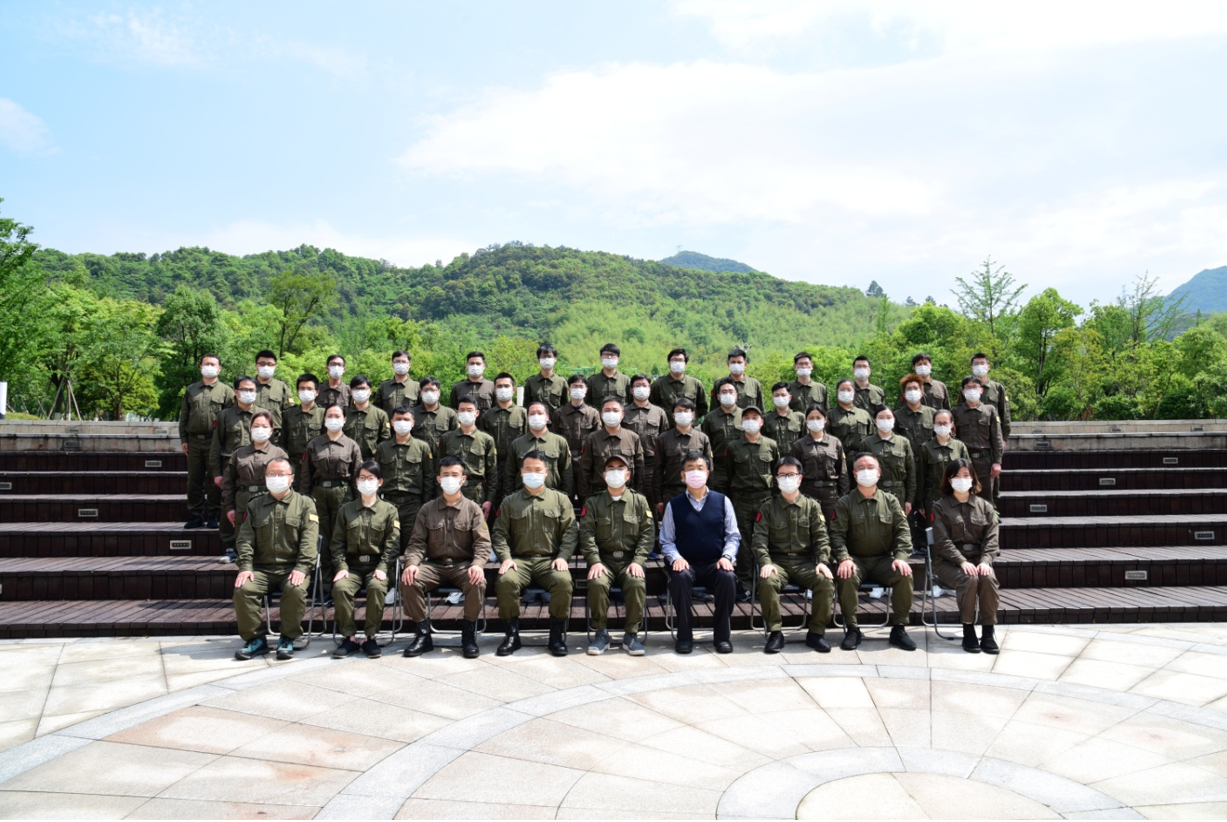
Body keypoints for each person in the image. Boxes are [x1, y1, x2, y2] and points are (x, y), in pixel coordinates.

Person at [401, 456, 490, 659]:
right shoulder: (427, 510)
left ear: (463, 479)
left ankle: (468, 634)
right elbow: (417, 543)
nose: (450, 478)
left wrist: (478, 564)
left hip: (463, 566)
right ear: (438, 479)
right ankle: (423, 633)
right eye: (445, 475)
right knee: (409, 580)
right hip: (434, 566)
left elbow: (482, 543)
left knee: (477, 581)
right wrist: (412, 563)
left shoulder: (473, 509)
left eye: (454, 475)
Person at [492, 451, 578, 657]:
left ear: (546, 472)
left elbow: (570, 532)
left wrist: (563, 557)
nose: (533, 474)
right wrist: (506, 558)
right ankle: (512, 635)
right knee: (505, 581)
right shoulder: (509, 502)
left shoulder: (560, 500)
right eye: (528, 469)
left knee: (563, 582)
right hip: (519, 561)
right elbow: (499, 534)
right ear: (521, 472)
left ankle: (556, 635)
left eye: (538, 470)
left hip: (550, 561)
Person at [232, 458, 318, 661]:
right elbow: (245, 539)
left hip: (292, 568)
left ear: (292, 478)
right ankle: (255, 640)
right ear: (265, 477)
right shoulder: (254, 505)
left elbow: (309, 540)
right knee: (243, 589)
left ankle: (287, 638)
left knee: (295, 590)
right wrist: (245, 566)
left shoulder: (305, 504)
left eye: (281, 474)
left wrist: (302, 567)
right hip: (261, 569)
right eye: (271, 474)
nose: (276, 478)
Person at [830, 453, 916, 652]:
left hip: (883, 560)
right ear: (854, 474)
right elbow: (836, 535)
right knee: (846, 574)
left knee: (904, 573)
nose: (866, 471)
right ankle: (852, 629)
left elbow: (903, 532)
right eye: (861, 468)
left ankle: (899, 628)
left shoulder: (891, 501)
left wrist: (901, 557)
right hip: (856, 560)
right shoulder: (844, 502)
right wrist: (844, 558)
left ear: (878, 472)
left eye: (870, 467)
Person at [753, 457, 835, 654]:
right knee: (767, 581)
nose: (787, 479)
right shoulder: (768, 507)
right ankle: (775, 632)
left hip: (804, 562)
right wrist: (765, 562)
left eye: (791, 474)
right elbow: (759, 539)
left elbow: (822, 538)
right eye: (782, 475)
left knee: (825, 581)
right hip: (777, 563)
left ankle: (816, 633)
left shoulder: (812, 506)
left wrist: (823, 561)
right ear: (776, 479)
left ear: (800, 478)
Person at [661, 452, 740, 654]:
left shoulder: (723, 501)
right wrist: (676, 558)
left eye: (700, 468)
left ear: (708, 473)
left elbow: (733, 536)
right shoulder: (674, 505)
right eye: (690, 469)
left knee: (728, 577)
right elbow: (666, 540)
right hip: (686, 563)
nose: (695, 472)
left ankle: (722, 636)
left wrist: (727, 557)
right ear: (682, 475)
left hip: (715, 563)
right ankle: (684, 636)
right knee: (679, 577)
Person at [579, 454, 654, 655]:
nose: (615, 472)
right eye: (610, 468)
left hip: (630, 560)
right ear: (604, 475)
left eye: (620, 468)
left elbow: (647, 534)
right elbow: (586, 535)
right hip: (603, 560)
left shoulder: (639, 501)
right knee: (597, 583)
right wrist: (594, 561)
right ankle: (601, 633)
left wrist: (638, 561)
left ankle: (631, 635)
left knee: (636, 582)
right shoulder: (593, 502)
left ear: (628, 475)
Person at [330, 461, 401, 659]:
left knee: (376, 587)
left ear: (380, 482)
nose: (366, 482)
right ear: (356, 482)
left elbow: (393, 544)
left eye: (371, 478)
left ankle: (371, 636)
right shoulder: (346, 510)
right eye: (362, 478)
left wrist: (383, 567)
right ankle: (349, 638)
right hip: (351, 567)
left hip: (376, 566)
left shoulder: (389, 511)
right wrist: (341, 566)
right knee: (340, 588)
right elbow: (337, 543)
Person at [930, 459, 1001, 654]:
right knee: (969, 579)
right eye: (956, 476)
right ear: (949, 480)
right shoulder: (940, 507)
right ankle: (968, 629)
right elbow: (942, 542)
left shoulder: (985, 507)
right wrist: (961, 561)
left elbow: (992, 540)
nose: (962, 480)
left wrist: (986, 561)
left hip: (978, 560)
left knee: (988, 578)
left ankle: (988, 631)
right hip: (949, 563)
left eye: (966, 475)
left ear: (973, 478)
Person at [302, 404, 363, 598]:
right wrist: (304, 501)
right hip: (319, 495)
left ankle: (342, 582)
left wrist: (359, 502)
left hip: (343, 494)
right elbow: (306, 476)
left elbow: (357, 476)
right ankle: (326, 586)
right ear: (324, 419)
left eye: (337, 416)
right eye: (330, 415)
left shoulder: (352, 445)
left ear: (344, 419)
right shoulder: (314, 444)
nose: (333, 419)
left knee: (341, 538)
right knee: (322, 539)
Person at [723, 405, 780, 602]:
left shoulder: (771, 445)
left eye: (755, 417)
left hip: (766, 499)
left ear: (761, 422)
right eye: (746, 418)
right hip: (742, 499)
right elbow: (729, 473)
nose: (750, 421)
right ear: (741, 422)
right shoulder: (733, 447)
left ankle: (767, 579)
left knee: (766, 539)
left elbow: (776, 471)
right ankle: (746, 583)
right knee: (744, 542)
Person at [211, 376, 269, 563]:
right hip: (231, 467)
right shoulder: (225, 415)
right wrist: (217, 473)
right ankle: (231, 547)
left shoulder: (263, 414)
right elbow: (217, 445)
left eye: (252, 390)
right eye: (244, 390)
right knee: (229, 507)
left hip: (258, 467)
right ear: (236, 392)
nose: (248, 393)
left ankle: (258, 548)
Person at [221, 411, 288, 562]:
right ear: (250, 429)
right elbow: (228, 483)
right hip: (243, 500)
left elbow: (287, 482)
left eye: (264, 426)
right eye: (256, 426)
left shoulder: (279, 453)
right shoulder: (239, 453)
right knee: (243, 537)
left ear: (271, 430)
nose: (260, 429)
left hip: (269, 499)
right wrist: (229, 507)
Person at [179, 353, 234, 529]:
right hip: (194, 442)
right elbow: (184, 416)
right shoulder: (191, 390)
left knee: (215, 480)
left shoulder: (226, 391)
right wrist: (183, 439)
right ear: (200, 367)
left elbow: (230, 420)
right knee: (194, 480)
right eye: (206, 363)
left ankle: (213, 515)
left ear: (219, 369)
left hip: (215, 442)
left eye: (213, 364)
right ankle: (196, 515)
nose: (209, 366)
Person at [375, 405, 436, 550]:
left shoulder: (422, 447)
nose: (402, 422)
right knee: (388, 544)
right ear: (392, 422)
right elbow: (376, 476)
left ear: (413, 423)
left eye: (406, 419)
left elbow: (429, 477)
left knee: (412, 544)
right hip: (388, 503)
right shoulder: (382, 447)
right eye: (398, 419)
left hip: (413, 504)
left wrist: (425, 504)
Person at [437, 398, 498, 518]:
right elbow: (438, 469)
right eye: (462, 410)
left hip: (476, 493)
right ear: (457, 412)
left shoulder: (486, 439)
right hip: (451, 491)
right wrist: (439, 495)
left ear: (477, 413)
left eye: (469, 410)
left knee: (475, 526)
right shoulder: (447, 438)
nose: (466, 413)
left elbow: (492, 472)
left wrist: (489, 499)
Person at [577, 396, 645, 501]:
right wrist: (585, 499)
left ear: (622, 415)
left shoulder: (633, 438)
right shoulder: (592, 438)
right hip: (599, 496)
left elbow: (640, 470)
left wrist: (637, 497)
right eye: (607, 410)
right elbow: (584, 471)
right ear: (601, 415)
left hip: (627, 495)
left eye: (615, 410)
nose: (611, 413)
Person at [653, 398, 713, 514]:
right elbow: (658, 470)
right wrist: (658, 498)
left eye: (686, 411)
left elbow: (709, 468)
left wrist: (709, 494)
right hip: (672, 492)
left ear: (693, 414)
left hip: (698, 492)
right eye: (679, 411)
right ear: (673, 415)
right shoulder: (663, 438)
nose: (682, 414)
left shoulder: (702, 438)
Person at [950, 376, 1004, 503]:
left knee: (986, 499)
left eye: (975, 387)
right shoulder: (956, 411)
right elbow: (952, 438)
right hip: (964, 460)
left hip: (985, 461)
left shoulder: (989, 410)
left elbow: (997, 438)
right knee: (963, 496)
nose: (971, 390)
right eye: (968, 387)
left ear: (981, 390)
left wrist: (997, 462)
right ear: (963, 391)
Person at [855, 406, 916, 516]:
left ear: (894, 419)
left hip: (899, 494)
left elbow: (911, 472)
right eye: (881, 418)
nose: (885, 420)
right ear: (875, 420)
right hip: (874, 492)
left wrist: (909, 500)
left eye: (888, 417)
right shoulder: (866, 443)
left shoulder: (903, 442)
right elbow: (860, 471)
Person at [505, 402, 574, 499]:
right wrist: (510, 498)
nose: (536, 416)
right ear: (528, 418)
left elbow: (566, 473)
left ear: (547, 417)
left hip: (552, 498)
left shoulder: (559, 442)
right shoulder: (517, 443)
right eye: (532, 414)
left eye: (540, 413)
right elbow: (509, 474)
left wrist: (565, 498)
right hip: (522, 499)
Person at [791, 405, 848, 521]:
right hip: (807, 493)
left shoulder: (835, 442)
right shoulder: (798, 445)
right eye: (811, 418)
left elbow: (842, 472)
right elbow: (793, 473)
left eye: (818, 417)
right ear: (806, 421)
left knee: (832, 526)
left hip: (830, 494)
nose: (815, 421)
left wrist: (844, 496)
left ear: (825, 419)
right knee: (808, 526)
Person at [480, 372, 528, 510]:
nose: (503, 389)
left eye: (506, 386)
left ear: (513, 389)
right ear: (494, 390)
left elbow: (528, 440)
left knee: (516, 504)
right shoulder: (487, 415)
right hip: (493, 467)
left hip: (516, 467)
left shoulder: (523, 414)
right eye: (499, 386)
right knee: (492, 505)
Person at [623, 373, 669, 500]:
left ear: (650, 389)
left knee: (652, 500)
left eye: (644, 385)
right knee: (629, 499)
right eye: (637, 385)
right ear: (631, 390)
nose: (641, 388)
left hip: (651, 464)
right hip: (628, 462)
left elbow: (664, 439)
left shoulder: (659, 412)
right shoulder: (623, 412)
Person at [917, 410, 970, 517]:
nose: (942, 426)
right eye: (938, 423)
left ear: (952, 424)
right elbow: (921, 476)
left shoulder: (959, 446)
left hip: (956, 494)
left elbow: (969, 474)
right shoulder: (926, 448)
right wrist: (920, 502)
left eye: (945, 423)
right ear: (933, 424)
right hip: (933, 497)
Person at [702, 377, 742, 491]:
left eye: (731, 391)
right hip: (719, 468)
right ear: (718, 396)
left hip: (741, 467)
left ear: (736, 395)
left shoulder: (745, 415)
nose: (727, 394)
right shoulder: (710, 418)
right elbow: (705, 445)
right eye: (724, 392)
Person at [650, 347, 708, 424]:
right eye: (674, 360)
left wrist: (690, 418)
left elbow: (703, 407)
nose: (677, 363)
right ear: (669, 363)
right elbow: (652, 407)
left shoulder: (695, 383)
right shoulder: (658, 384)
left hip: (691, 427)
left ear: (685, 364)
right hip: (667, 428)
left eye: (680, 360)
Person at [282, 374, 325, 478]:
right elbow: (283, 442)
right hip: (294, 466)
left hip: (315, 466)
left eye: (309, 389)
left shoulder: (323, 413)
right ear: (297, 391)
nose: (305, 391)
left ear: (317, 392)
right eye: (302, 388)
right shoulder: (288, 414)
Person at [343, 375, 391, 460]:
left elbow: (385, 440)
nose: (360, 391)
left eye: (363, 388)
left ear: (370, 391)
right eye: (356, 389)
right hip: (348, 460)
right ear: (351, 391)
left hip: (371, 461)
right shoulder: (344, 414)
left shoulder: (380, 414)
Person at [553, 375, 600, 460]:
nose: (578, 389)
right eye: (575, 386)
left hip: (586, 457)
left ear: (586, 390)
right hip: (564, 457)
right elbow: (555, 437)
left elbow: (597, 438)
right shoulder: (559, 413)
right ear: (569, 389)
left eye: (581, 386)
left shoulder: (593, 413)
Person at [828, 379, 873, 462]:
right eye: (842, 390)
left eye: (849, 390)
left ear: (854, 392)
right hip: (838, 459)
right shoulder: (829, 414)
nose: (846, 392)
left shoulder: (864, 414)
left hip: (862, 459)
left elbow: (872, 437)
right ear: (837, 392)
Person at [253, 350, 292, 444]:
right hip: (251, 434)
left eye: (270, 364)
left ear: (275, 367)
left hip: (275, 437)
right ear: (256, 365)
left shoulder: (282, 387)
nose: (266, 367)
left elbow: (289, 414)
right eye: (262, 364)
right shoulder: (247, 386)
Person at [411, 376, 458, 455]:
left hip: (442, 457)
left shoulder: (449, 413)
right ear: (421, 392)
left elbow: (455, 438)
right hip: (418, 457)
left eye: (432, 390)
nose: (429, 393)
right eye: (426, 390)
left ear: (439, 392)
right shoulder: (412, 413)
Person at [894, 374, 936, 459]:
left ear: (922, 392)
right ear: (904, 394)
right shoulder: (896, 415)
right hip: (907, 459)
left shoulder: (932, 413)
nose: (912, 391)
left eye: (915, 388)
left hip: (930, 459)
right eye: (909, 389)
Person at [970, 353, 1011, 439]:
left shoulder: (997, 388)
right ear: (972, 368)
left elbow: (1005, 413)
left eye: (982, 363)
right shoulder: (966, 389)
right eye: (976, 364)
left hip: (993, 435)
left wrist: (1004, 437)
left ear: (988, 367)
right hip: (972, 435)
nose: (979, 366)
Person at [523, 344, 568, 415]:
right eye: (543, 357)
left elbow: (566, 406)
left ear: (555, 359)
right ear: (538, 360)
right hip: (536, 420)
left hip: (556, 421)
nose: (546, 359)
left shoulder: (561, 381)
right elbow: (526, 406)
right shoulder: (531, 381)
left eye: (549, 357)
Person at [764, 382, 805, 452]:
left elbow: (805, 440)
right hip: (773, 457)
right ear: (773, 398)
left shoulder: (800, 417)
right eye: (776, 395)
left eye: (783, 395)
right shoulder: (766, 418)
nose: (780, 398)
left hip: (795, 457)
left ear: (790, 397)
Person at [377, 350, 421, 415]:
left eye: (404, 362)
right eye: (397, 361)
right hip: (388, 421)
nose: (401, 364)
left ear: (409, 365)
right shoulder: (384, 386)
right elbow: (377, 410)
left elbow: (422, 410)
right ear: (392, 365)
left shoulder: (417, 386)